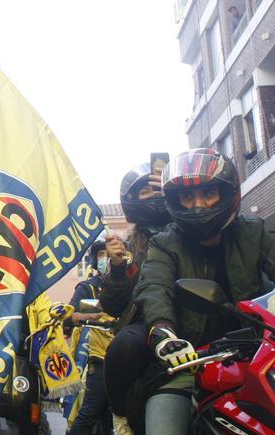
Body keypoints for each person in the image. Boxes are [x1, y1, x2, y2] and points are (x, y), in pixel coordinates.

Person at [134, 148, 275, 434]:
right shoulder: (164, 244)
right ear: (175, 201)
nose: (198, 205)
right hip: (189, 361)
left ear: (226, 193)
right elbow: (154, 289)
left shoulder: (252, 233)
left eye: (208, 194)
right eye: (188, 197)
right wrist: (164, 333)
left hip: (259, 356)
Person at [101, 163, 171, 433]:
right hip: (151, 327)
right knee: (123, 346)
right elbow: (113, 305)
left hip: (201, 318)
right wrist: (118, 269)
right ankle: (120, 418)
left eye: (158, 189)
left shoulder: (192, 231)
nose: (154, 195)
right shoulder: (129, 249)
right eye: (146, 192)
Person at [66, 238, 118, 435]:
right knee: (90, 410)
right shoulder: (88, 287)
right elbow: (69, 315)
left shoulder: (129, 285)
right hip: (96, 356)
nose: (106, 258)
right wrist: (85, 316)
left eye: (109, 254)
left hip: (126, 355)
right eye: (101, 255)